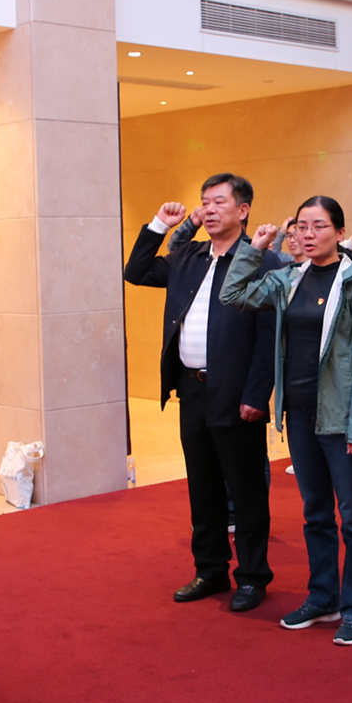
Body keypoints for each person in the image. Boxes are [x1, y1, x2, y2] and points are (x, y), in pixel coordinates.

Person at [222, 198, 352, 645]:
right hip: (298, 413)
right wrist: (256, 248)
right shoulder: (290, 278)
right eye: (301, 226)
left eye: (319, 226)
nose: (308, 234)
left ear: (340, 232)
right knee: (315, 514)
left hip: (339, 416)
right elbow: (232, 295)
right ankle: (323, 597)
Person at [125, 174, 285, 611]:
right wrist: (160, 225)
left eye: (219, 202)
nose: (209, 209)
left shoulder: (262, 260)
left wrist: (257, 395)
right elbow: (136, 271)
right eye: (205, 202)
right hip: (192, 390)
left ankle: (252, 576)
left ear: (243, 210)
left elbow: (269, 335)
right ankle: (210, 569)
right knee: (203, 486)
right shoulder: (189, 256)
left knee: (245, 490)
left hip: (236, 393)